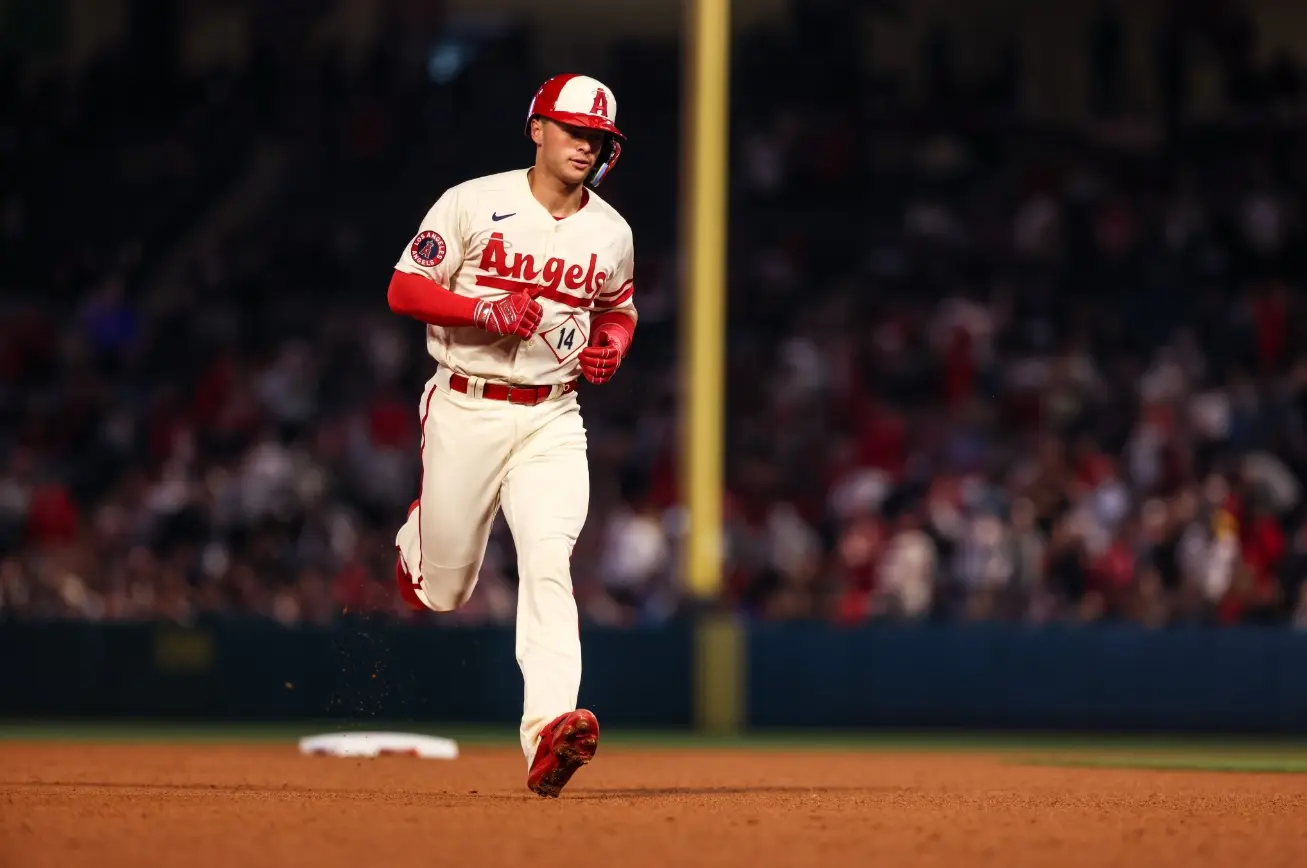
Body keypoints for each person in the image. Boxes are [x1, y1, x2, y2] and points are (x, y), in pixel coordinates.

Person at [385, 74, 637, 798]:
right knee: (443, 593)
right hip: (466, 406)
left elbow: (620, 310)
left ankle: (549, 730)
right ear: (537, 129)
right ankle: (421, 539)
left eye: (598, 137)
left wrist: (612, 347)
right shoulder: (472, 200)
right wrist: (480, 310)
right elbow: (403, 288)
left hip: (553, 417)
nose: (585, 144)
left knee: (548, 561)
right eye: (572, 130)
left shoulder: (610, 231)